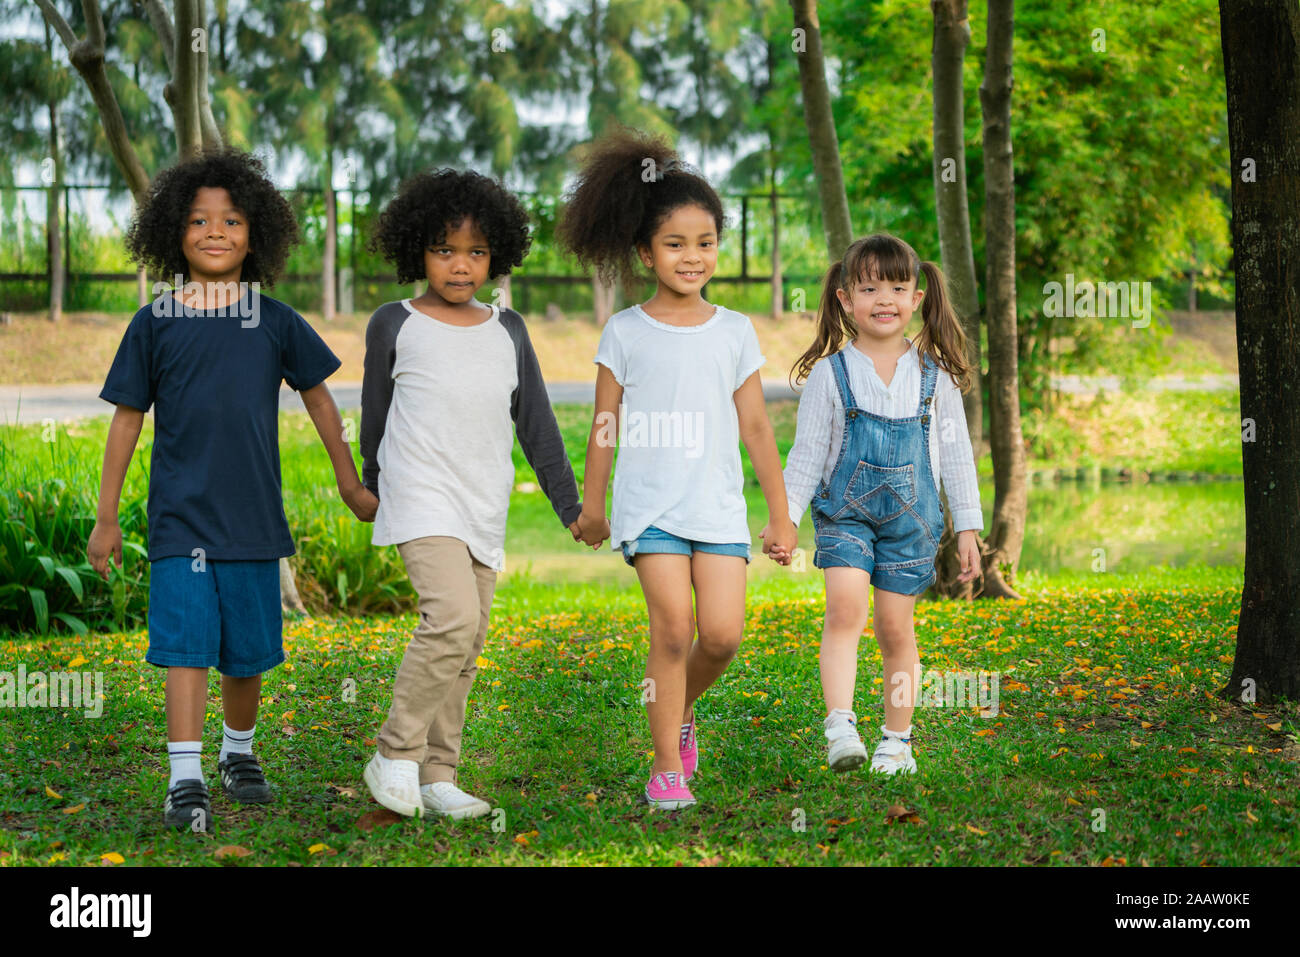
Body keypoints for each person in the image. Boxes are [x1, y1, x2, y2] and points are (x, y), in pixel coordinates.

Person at [86, 147, 375, 830]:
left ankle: (237, 752)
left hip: (252, 522)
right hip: (178, 523)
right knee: (185, 647)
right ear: (172, 233)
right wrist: (106, 517)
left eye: (233, 220)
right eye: (198, 220)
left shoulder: (273, 320)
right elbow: (127, 420)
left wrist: (349, 482)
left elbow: (321, 401)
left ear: (257, 233)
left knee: (247, 653)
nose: (215, 231)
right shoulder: (154, 321)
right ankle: (185, 776)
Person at [558, 127, 797, 810]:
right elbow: (605, 424)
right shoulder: (626, 331)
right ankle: (667, 769)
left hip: (717, 507)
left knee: (721, 636)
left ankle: (679, 710)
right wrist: (593, 503)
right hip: (650, 508)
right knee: (672, 629)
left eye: (705, 242)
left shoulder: (735, 330)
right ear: (645, 252)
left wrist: (779, 514)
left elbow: (755, 424)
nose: (692, 256)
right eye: (675, 243)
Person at [359, 168, 588, 819]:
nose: (461, 265)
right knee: (451, 620)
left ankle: (437, 773)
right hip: (419, 498)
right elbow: (376, 414)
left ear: (499, 254)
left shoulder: (508, 329)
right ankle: (395, 753)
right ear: (417, 251)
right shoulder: (393, 324)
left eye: (477, 252)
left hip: (482, 505)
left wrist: (569, 507)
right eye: (444, 249)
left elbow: (537, 425)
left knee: (470, 638)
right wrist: (369, 484)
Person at [780, 233, 983, 776]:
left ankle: (897, 741)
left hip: (912, 522)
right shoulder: (831, 373)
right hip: (845, 514)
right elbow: (806, 454)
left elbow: (959, 456)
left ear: (917, 298)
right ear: (846, 300)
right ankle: (840, 726)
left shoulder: (936, 377)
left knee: (896, 629)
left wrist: (968, 528)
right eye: (869, 288)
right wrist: (787, 516)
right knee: (845, 609)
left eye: (897, 286)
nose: (884, 299)